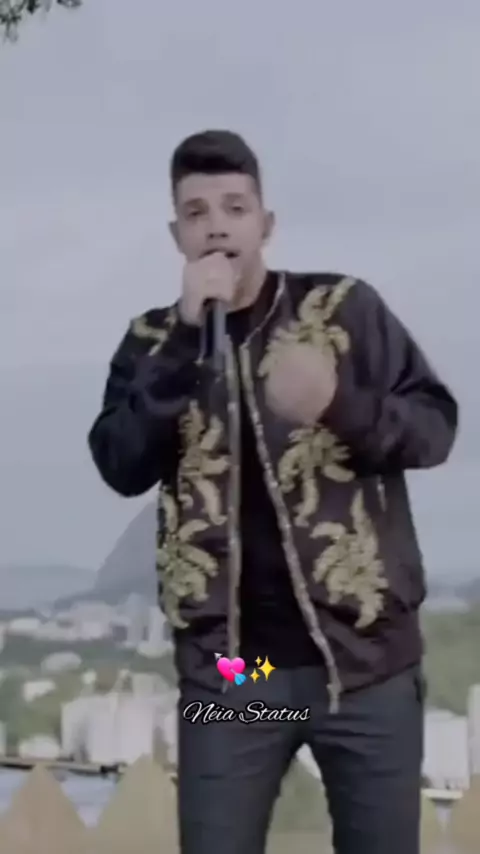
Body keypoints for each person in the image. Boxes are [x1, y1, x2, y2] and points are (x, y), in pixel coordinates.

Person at [88, 129, 458, 854]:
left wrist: (338, 403)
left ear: (266, 223)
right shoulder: (151, 341)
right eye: (196, 212)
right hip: (236, 673)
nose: (216, 226)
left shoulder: (344, 309)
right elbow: (119, 462)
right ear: (177, 234)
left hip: (363, 667)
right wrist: (183, 345)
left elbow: (434, 429)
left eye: (235, 207)